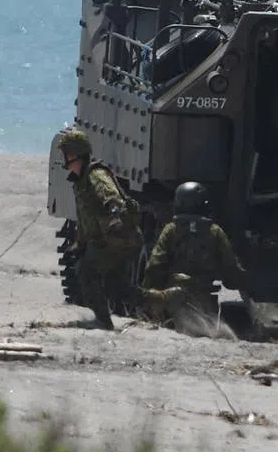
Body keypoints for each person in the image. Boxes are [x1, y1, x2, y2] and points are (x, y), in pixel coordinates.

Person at [56, 127, 143, 330]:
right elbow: (85, 218)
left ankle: (103, 320)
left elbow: (112, 199)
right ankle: (164, 300)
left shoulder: (95, 175)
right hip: (110, 238)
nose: (63, 158)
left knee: (85, 270)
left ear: (75, 154)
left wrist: (114, 219)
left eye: (66, 153)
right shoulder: (81, 179)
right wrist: (80, 243)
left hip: (116, 238)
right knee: (118, 287)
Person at [141, 182, 246, 331]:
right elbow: (230, 267)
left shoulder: (171, 230)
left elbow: (155, 265)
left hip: (173, 295)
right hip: (203, 296)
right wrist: (240, 281)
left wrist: (148, 295)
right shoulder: (215, 232)